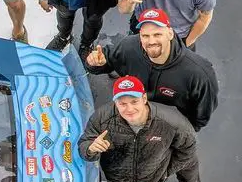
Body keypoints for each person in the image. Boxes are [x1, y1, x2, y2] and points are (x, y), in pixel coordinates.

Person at [78, 76, 201, 182]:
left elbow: (188, 150)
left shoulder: (172, 121)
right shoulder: (101, 118)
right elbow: (84, 144)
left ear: (144, 98)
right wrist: (90, 148)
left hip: (153, 177)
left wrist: (165, 171)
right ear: (115, 103)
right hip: (116, 174)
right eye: (122, 103)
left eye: (134, 102)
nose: (129, 109)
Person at [85, 9, 218, 131]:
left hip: (167, 127)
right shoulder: (128, 47)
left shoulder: (200, 74)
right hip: (134, 115)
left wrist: (178, 133)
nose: (151, 41)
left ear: (170, 33)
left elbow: (201, 117)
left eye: (157, 34)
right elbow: (105, 61)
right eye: (145, 36)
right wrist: (95, 64)